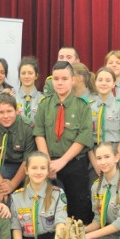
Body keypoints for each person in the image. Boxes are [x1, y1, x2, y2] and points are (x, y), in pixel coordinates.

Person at [34, 61, 94, 223]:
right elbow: (39, 133)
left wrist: (62, 161)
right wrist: (47, 163)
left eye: (64, 79)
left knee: (77, 210)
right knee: (50, 210)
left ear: (73, 80)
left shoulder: (82, 106)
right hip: (49, 165)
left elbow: (84, 137)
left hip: (74, 165)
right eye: (56, 79)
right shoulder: (44, 105)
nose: (59, 83)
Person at [0, 92, 36, 200]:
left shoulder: (27, 127)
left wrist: (12, 184)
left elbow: (28, 160)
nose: (6, 116)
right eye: (1, 112)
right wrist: (1, 184)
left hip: (24, 166)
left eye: (9, 111)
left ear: (16, 111)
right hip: (2, 166)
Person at [87, 67, 120, 180]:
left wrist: (113, 161)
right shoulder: (88, 106)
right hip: (95, 156)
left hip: (117, 155)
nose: (104, 83)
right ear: (95, 82)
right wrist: (96, 163)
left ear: (113, 84)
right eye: (100, 80)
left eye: (108, 80)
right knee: (96, 194)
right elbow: (85, 139)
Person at [15, 56, 44, 126]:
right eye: (23, 73)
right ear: (19, 75)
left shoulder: (43, 99)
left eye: (30, 73)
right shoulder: (12, 98)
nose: (26, 76)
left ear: (36, 76)